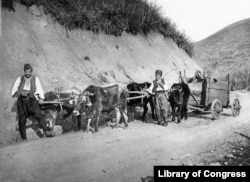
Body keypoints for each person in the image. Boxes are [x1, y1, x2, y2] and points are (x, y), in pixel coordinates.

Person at [11, 63, 55, 140]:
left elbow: (39, 89)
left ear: (31, 71)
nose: (27, 73)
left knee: (39, 114)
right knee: (22, 119)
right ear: (24, 71)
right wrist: (19, 92)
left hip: (31, 100)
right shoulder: (19, 79)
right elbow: (14, 90)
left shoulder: (35, 79)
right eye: (26, 72)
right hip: (21, 101)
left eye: (29, 72)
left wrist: (41, 98)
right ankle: (24, 138)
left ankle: (47, 131)